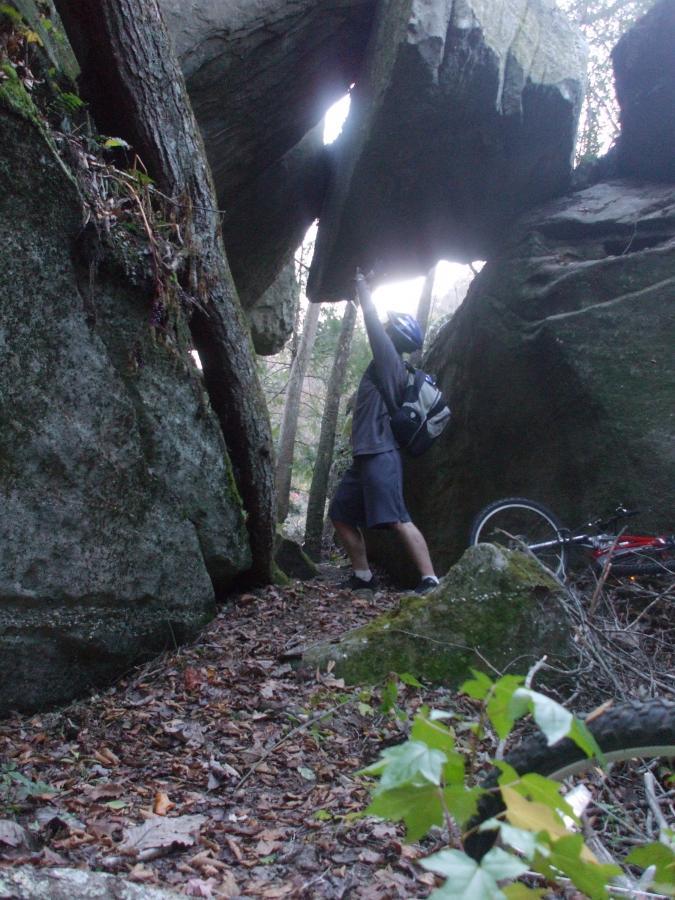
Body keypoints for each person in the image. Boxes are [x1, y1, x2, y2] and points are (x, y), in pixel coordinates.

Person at [329, 269, 440, 595]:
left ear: (395, 335)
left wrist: (361, 284)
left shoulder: (390, 361)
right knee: (340, 513)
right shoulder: (386, 366)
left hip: (381, 453)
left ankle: (430, 581)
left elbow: (372, 322)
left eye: (390, 327)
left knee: (398, 518)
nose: (385, 328)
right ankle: (363, 577)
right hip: (365, 455)